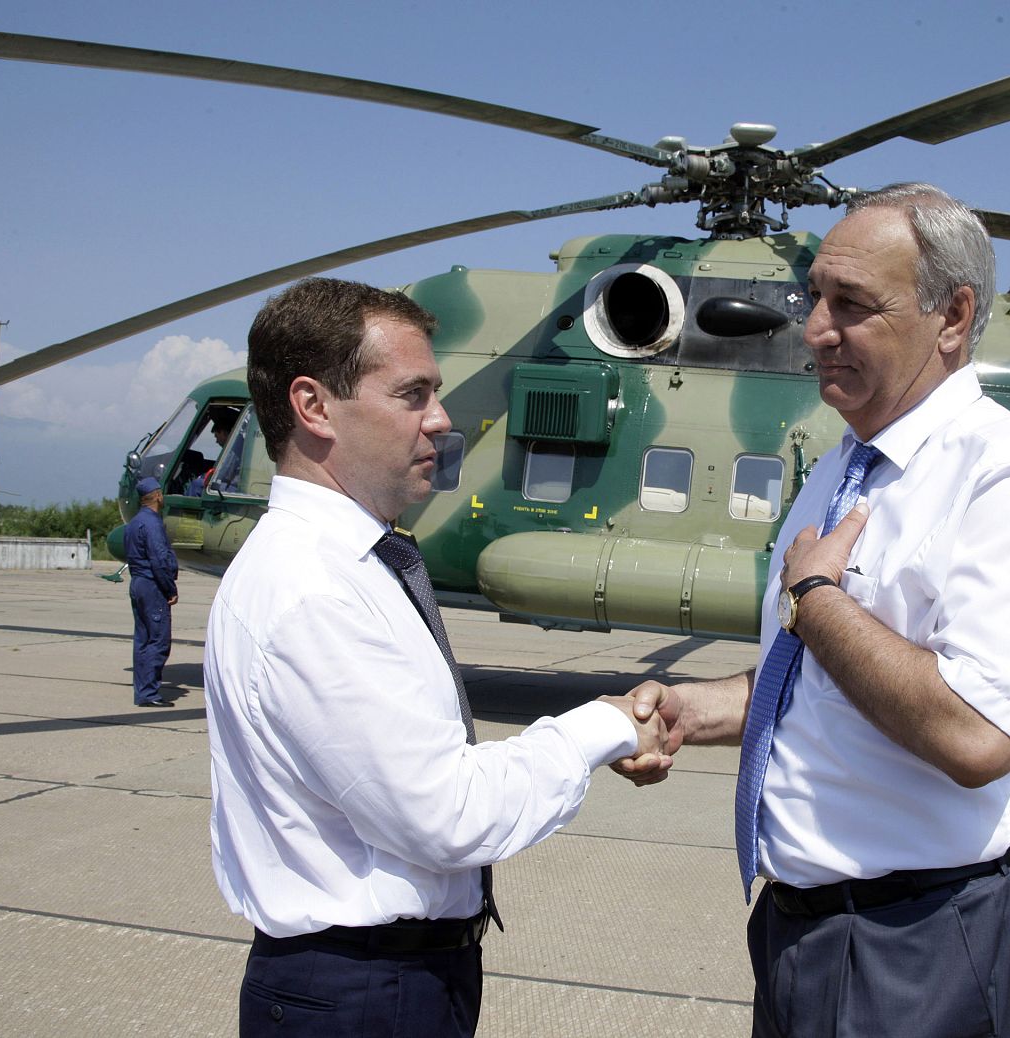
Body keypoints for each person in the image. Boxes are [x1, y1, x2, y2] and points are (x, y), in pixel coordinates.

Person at [617, 183, 1010, 1038]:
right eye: (815, 298)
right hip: (804, 931)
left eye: (852, 305)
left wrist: (816, 600)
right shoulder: (846, 468)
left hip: (921, 944)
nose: (814, 330)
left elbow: (976, 735)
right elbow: (823, 677)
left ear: (953, 317)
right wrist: (700, 709)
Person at [203, 277, 673, 1037]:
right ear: (313, 406)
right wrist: (606, 724)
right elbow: (445, 815)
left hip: (390, 980)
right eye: (411, 395)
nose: (441, 420)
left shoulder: (352, 566)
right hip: (363, 992)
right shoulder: (313, 590)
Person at [125, 475, 178, 708]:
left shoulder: (134, 522)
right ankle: (149, 693)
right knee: (158, 640)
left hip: (138, 583)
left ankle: (142, 691)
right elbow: (159, 560)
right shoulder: (153, 524)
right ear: (157, 496)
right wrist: (170, 588)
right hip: (152, 585)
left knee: (142, 640)